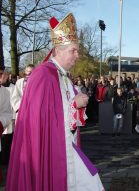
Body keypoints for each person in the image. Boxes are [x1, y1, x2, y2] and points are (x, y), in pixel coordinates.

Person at [6, 13, 104, 191]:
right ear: (58, 51)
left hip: (66, 145)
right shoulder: (43, 75)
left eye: (77, 50)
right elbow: (39, 118)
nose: (78, 55)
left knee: (91, 182)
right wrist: (74, 104)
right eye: (73, 50)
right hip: (49, 149)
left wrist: (77, 105)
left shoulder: (65, 76)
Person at [0, 69, 14, 184]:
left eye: (3, 73)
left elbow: (7, 112)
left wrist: (0, 122)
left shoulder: (4, 92)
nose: (3, 76)